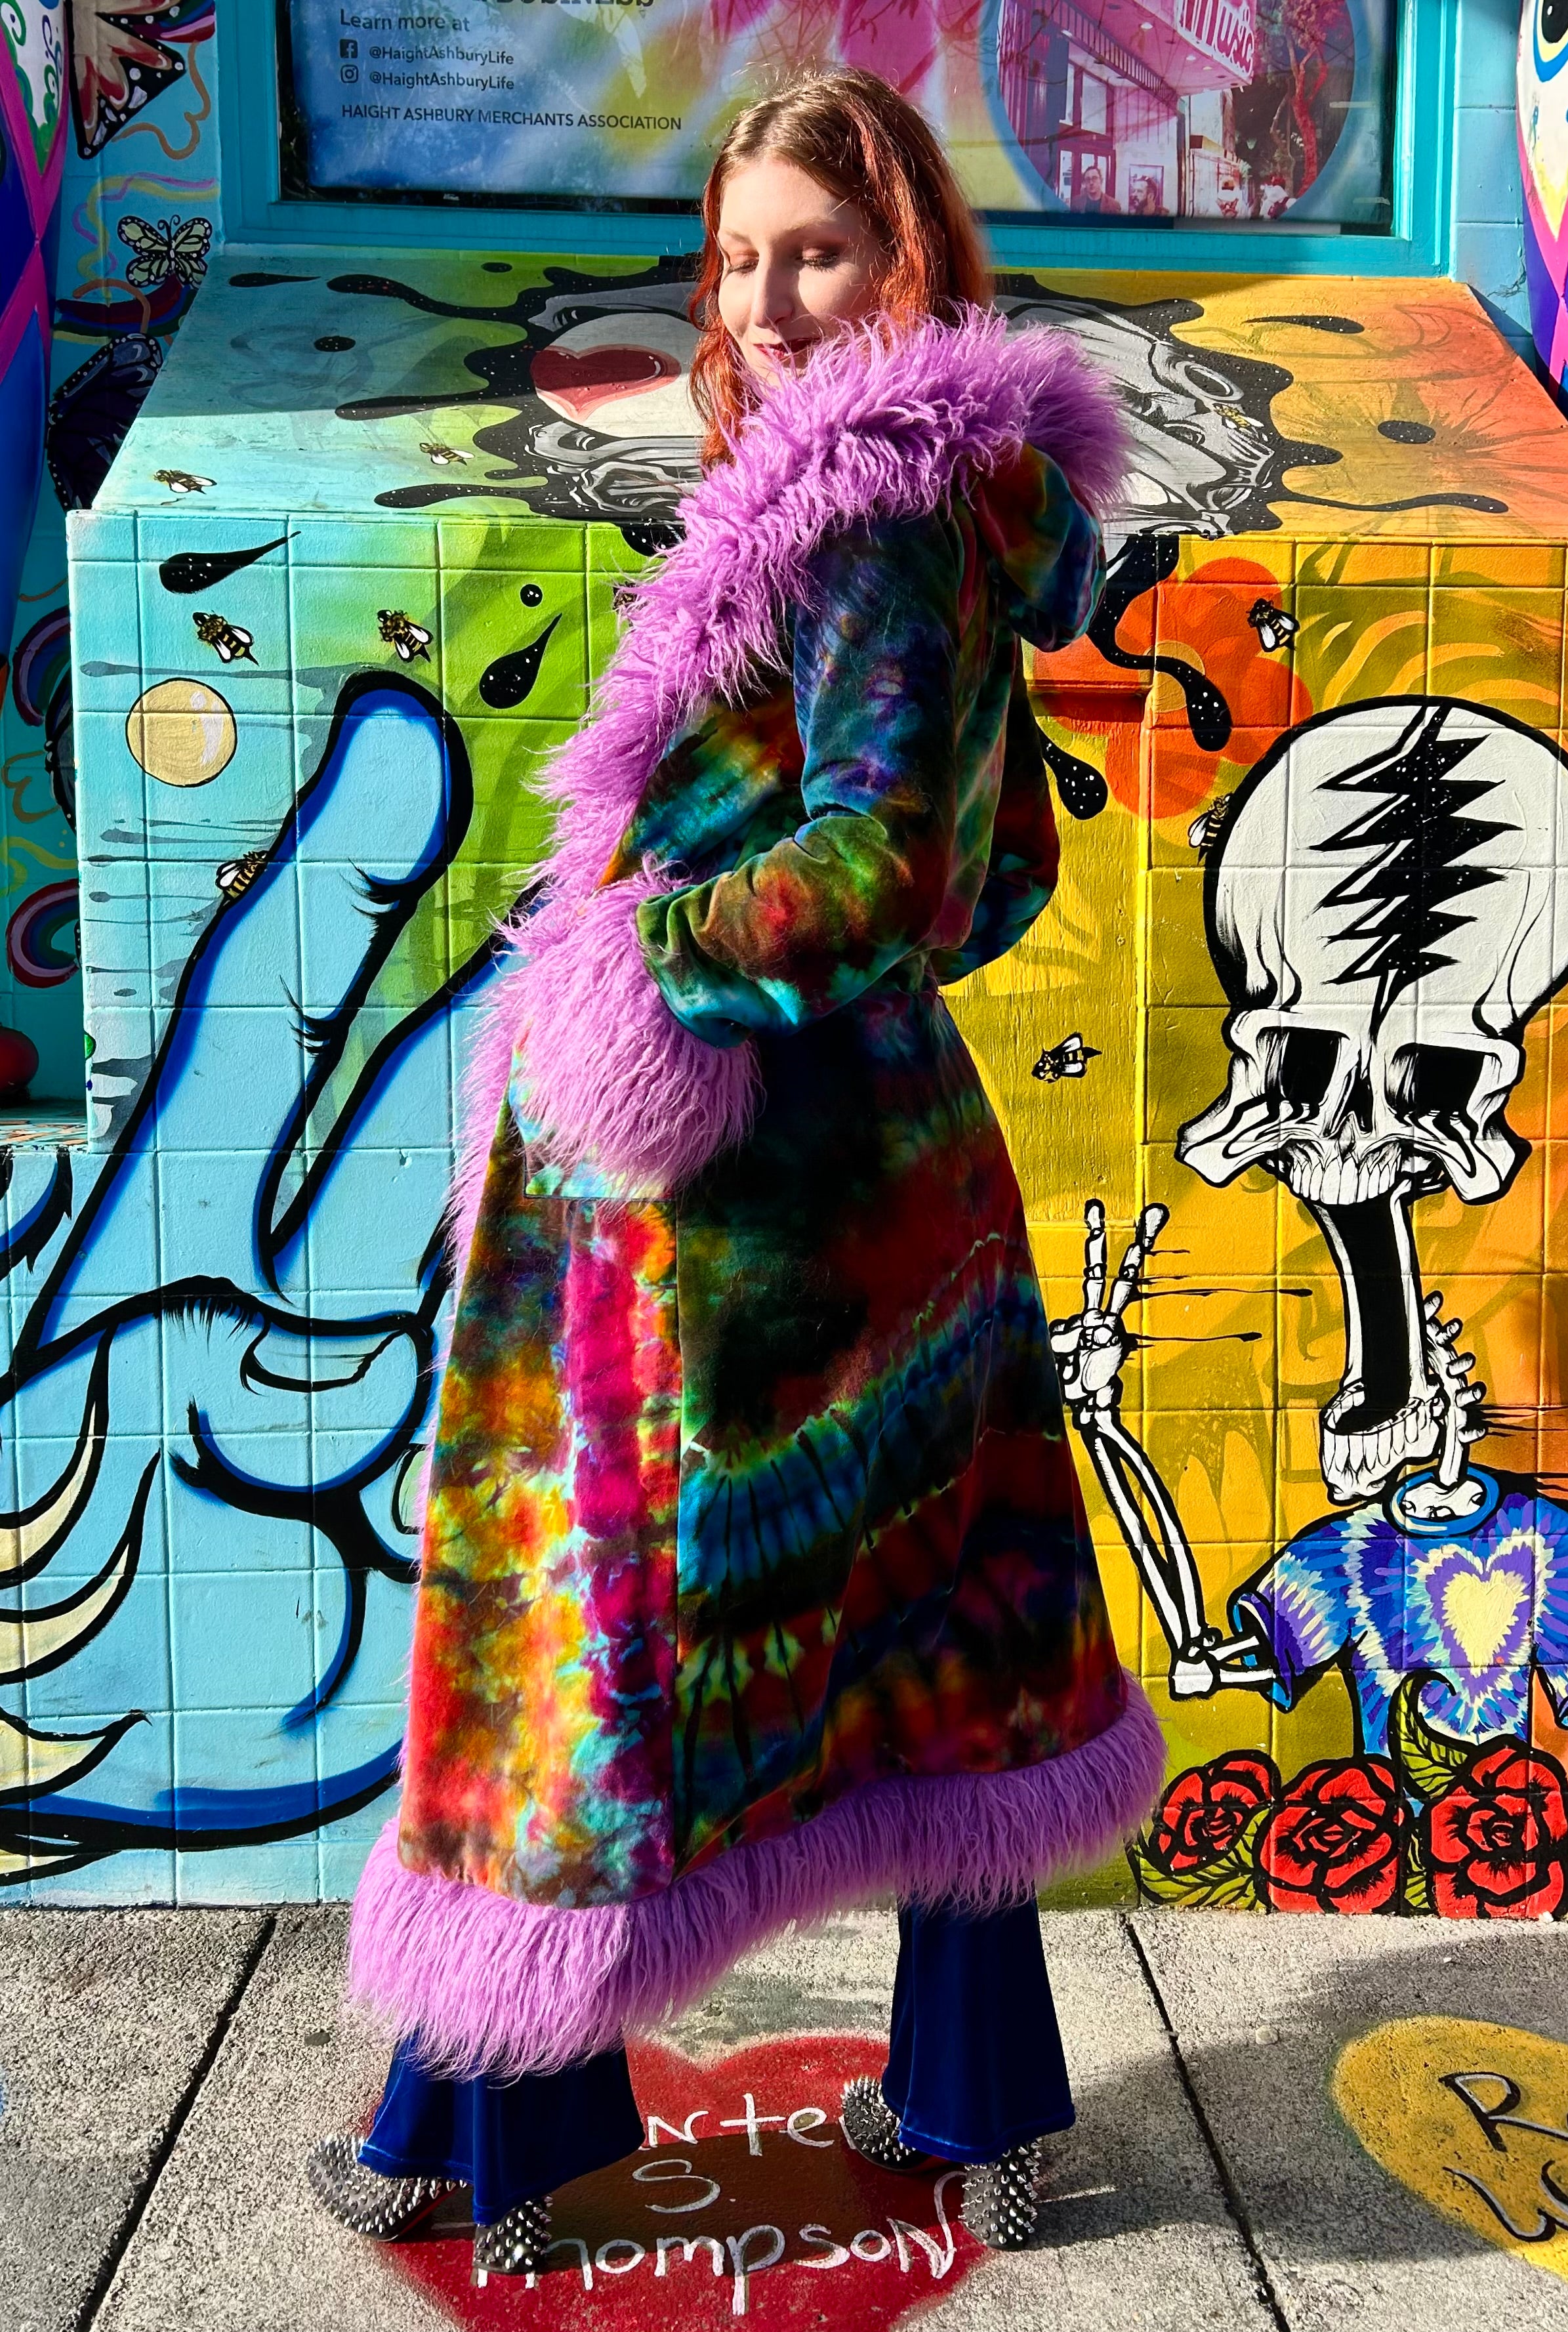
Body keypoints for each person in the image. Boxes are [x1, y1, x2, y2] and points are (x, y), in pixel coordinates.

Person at [307, 66, 1163, 2287]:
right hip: (877, 1166)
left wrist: (636, 957)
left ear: (909, 258)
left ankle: (476, 2128)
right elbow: (986, 867)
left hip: (725, 1202)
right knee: (941, 1640)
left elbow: (885, 862)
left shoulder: (868, 508)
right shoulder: (949, 503)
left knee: (567, 1638)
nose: (769, 301)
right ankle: (980, 2111)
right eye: (738, 257)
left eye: (818, 252)